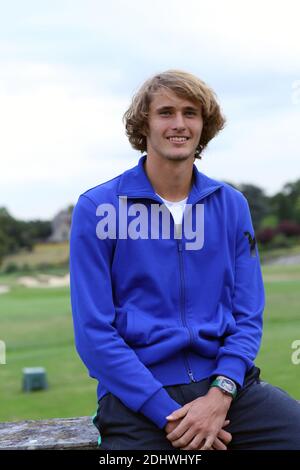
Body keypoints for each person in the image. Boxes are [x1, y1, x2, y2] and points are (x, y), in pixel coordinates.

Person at [70, 70, 300, 450]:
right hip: (137, 398)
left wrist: (219, 394)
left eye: (190, 113)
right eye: (166, 112)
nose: (179, 124)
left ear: (203, 125)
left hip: (225, 389)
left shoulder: (231, 205)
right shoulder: (98, 208)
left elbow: (247, 314)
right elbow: (94, 334)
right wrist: (170, 414)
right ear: (144, 124)